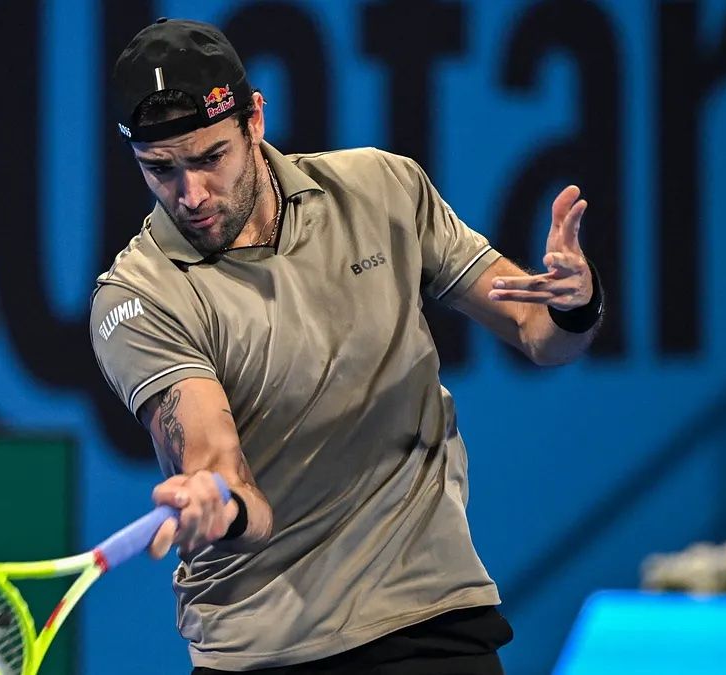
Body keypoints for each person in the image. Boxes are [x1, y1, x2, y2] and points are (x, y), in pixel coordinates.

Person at [89, 18, 603, 675]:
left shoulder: (381, 189)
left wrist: (572, 302)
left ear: (255, 120)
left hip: (426, 615)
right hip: (262, 649)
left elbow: (539, 336)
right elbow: (222, 463)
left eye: (209, 157)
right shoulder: (138, 296)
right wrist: (217, 498)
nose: (190, 194)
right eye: (159, 169)